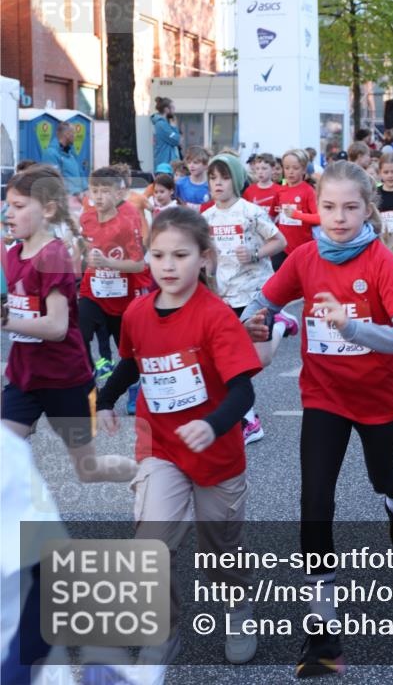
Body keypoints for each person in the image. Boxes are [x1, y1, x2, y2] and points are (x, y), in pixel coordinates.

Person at [242, 161, 393, 677]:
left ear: (368, 210)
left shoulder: (382, 263)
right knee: (315, 498)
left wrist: (353, 327)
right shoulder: (303, 257)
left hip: (378, 399)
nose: (338, 218)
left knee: (380, 477)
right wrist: (254, 325)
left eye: (349, 208)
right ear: (315, 208)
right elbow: (261, 304)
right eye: (328, 207)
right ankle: (322, 632)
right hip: (322, 396)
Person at [96, 206, 263, 672]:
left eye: (181, 255)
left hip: (216, 455)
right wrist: (106, 398)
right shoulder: (136, 313)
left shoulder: (216, 318)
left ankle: (237, 609)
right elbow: (132, 360)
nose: (168, 266)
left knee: (220, 554)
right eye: (158, 255)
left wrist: (212, 425)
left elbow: (243, 389)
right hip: (161, 448)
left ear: (205, 258)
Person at [1, 167, 136, 483]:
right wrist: (9, 311)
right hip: (24, 377)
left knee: (89, 471)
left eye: (19, 206)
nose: (9, 213)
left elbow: (57, 326)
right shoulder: (14, 254)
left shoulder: (52, 256)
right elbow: (25, 307)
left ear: (47, 210)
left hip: (65, 380)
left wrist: (7, 320)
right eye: (8, 205)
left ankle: (145, 476)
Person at [203, 153, 288, 446]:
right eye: (213, 178)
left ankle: (279, 326)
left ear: (236, 181)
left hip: (255, 292)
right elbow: (207, 257)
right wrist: (207, 277)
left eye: (224, 178)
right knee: (231, 360)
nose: (217, 184)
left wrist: (254, 254)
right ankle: (248, 419)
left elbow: (280, 241)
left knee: (260, 359)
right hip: (224, 296)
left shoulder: (250, 211)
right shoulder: (206, 218)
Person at [79, 166, 146, 380]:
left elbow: (138, 265)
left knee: (128, 351)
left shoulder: (127, 220)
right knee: (80, 335)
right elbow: (84, 249)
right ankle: (88, 377)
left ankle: (136, 386)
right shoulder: (86, 219)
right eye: (94, 190)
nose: (98, 196)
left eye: (104, 191)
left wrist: (108, 262)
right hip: (92, 292)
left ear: (117, 194)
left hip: (122, 297)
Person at [273, 149, 318, 270]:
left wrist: (297, 215)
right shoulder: (280, 190)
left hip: (302, 247)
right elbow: (273, 216)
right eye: (287, 168)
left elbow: (319, 218)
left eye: (295, 168)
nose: (290, 172)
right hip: (282, 247)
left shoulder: (308, 191)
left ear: (304, 169)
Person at [42, 121, 85, 197]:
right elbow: (55, 180)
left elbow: (80, 172)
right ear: (67, 134)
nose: (75, 136)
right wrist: (75, 192)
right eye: (74, 133)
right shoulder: (50, 154)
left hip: (77, 198)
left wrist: (86, 189)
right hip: (63, 200)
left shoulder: (71, 152)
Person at [151, 97, 182, 169]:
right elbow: (176, 141)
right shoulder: (161, 125)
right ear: (166, 109)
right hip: (165, 165)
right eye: (173, 108)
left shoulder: (163, 123)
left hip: (165, 164)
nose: (174, 110)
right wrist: (174, 127)